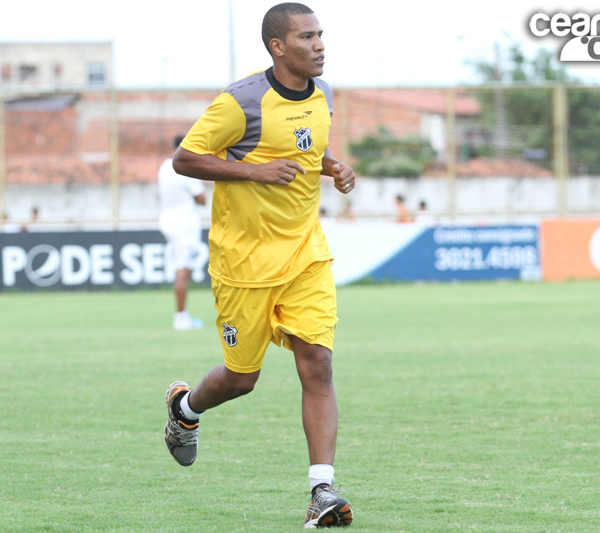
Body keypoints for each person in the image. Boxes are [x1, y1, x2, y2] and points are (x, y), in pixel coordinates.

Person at [165, 3, 355, 528]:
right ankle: (185, 411)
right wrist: (253, 173)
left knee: (317, 362)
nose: (319, 45)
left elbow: (308, 151)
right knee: (241, 379)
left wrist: (333, 166)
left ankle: (322, 490)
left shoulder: (325, 95)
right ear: (278, 45)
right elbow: (186, 158)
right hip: (244, 262)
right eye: (307, 37)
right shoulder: (241, 101)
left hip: (304, 254)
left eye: (321, 35)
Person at [158, 135, 207, 330]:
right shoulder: (186, 169)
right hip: (184, 223)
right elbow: (202, 198)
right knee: (184, 270)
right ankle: (181, 317)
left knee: (180, 268)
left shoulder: (164, 167)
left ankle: (181, 315)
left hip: (167, 220)